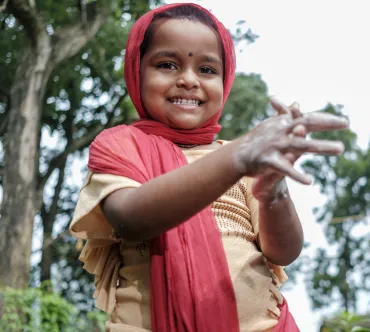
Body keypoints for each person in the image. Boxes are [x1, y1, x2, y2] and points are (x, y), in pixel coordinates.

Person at [69, 3, 348, 332]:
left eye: (206, 70)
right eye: (167, 64)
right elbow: (130, 220)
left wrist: (275, 192)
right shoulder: (120, 146)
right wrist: (239, 157)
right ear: (137, 70)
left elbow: (283, 252)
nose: (188, 80)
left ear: (225, 79)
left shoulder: (246, 158)